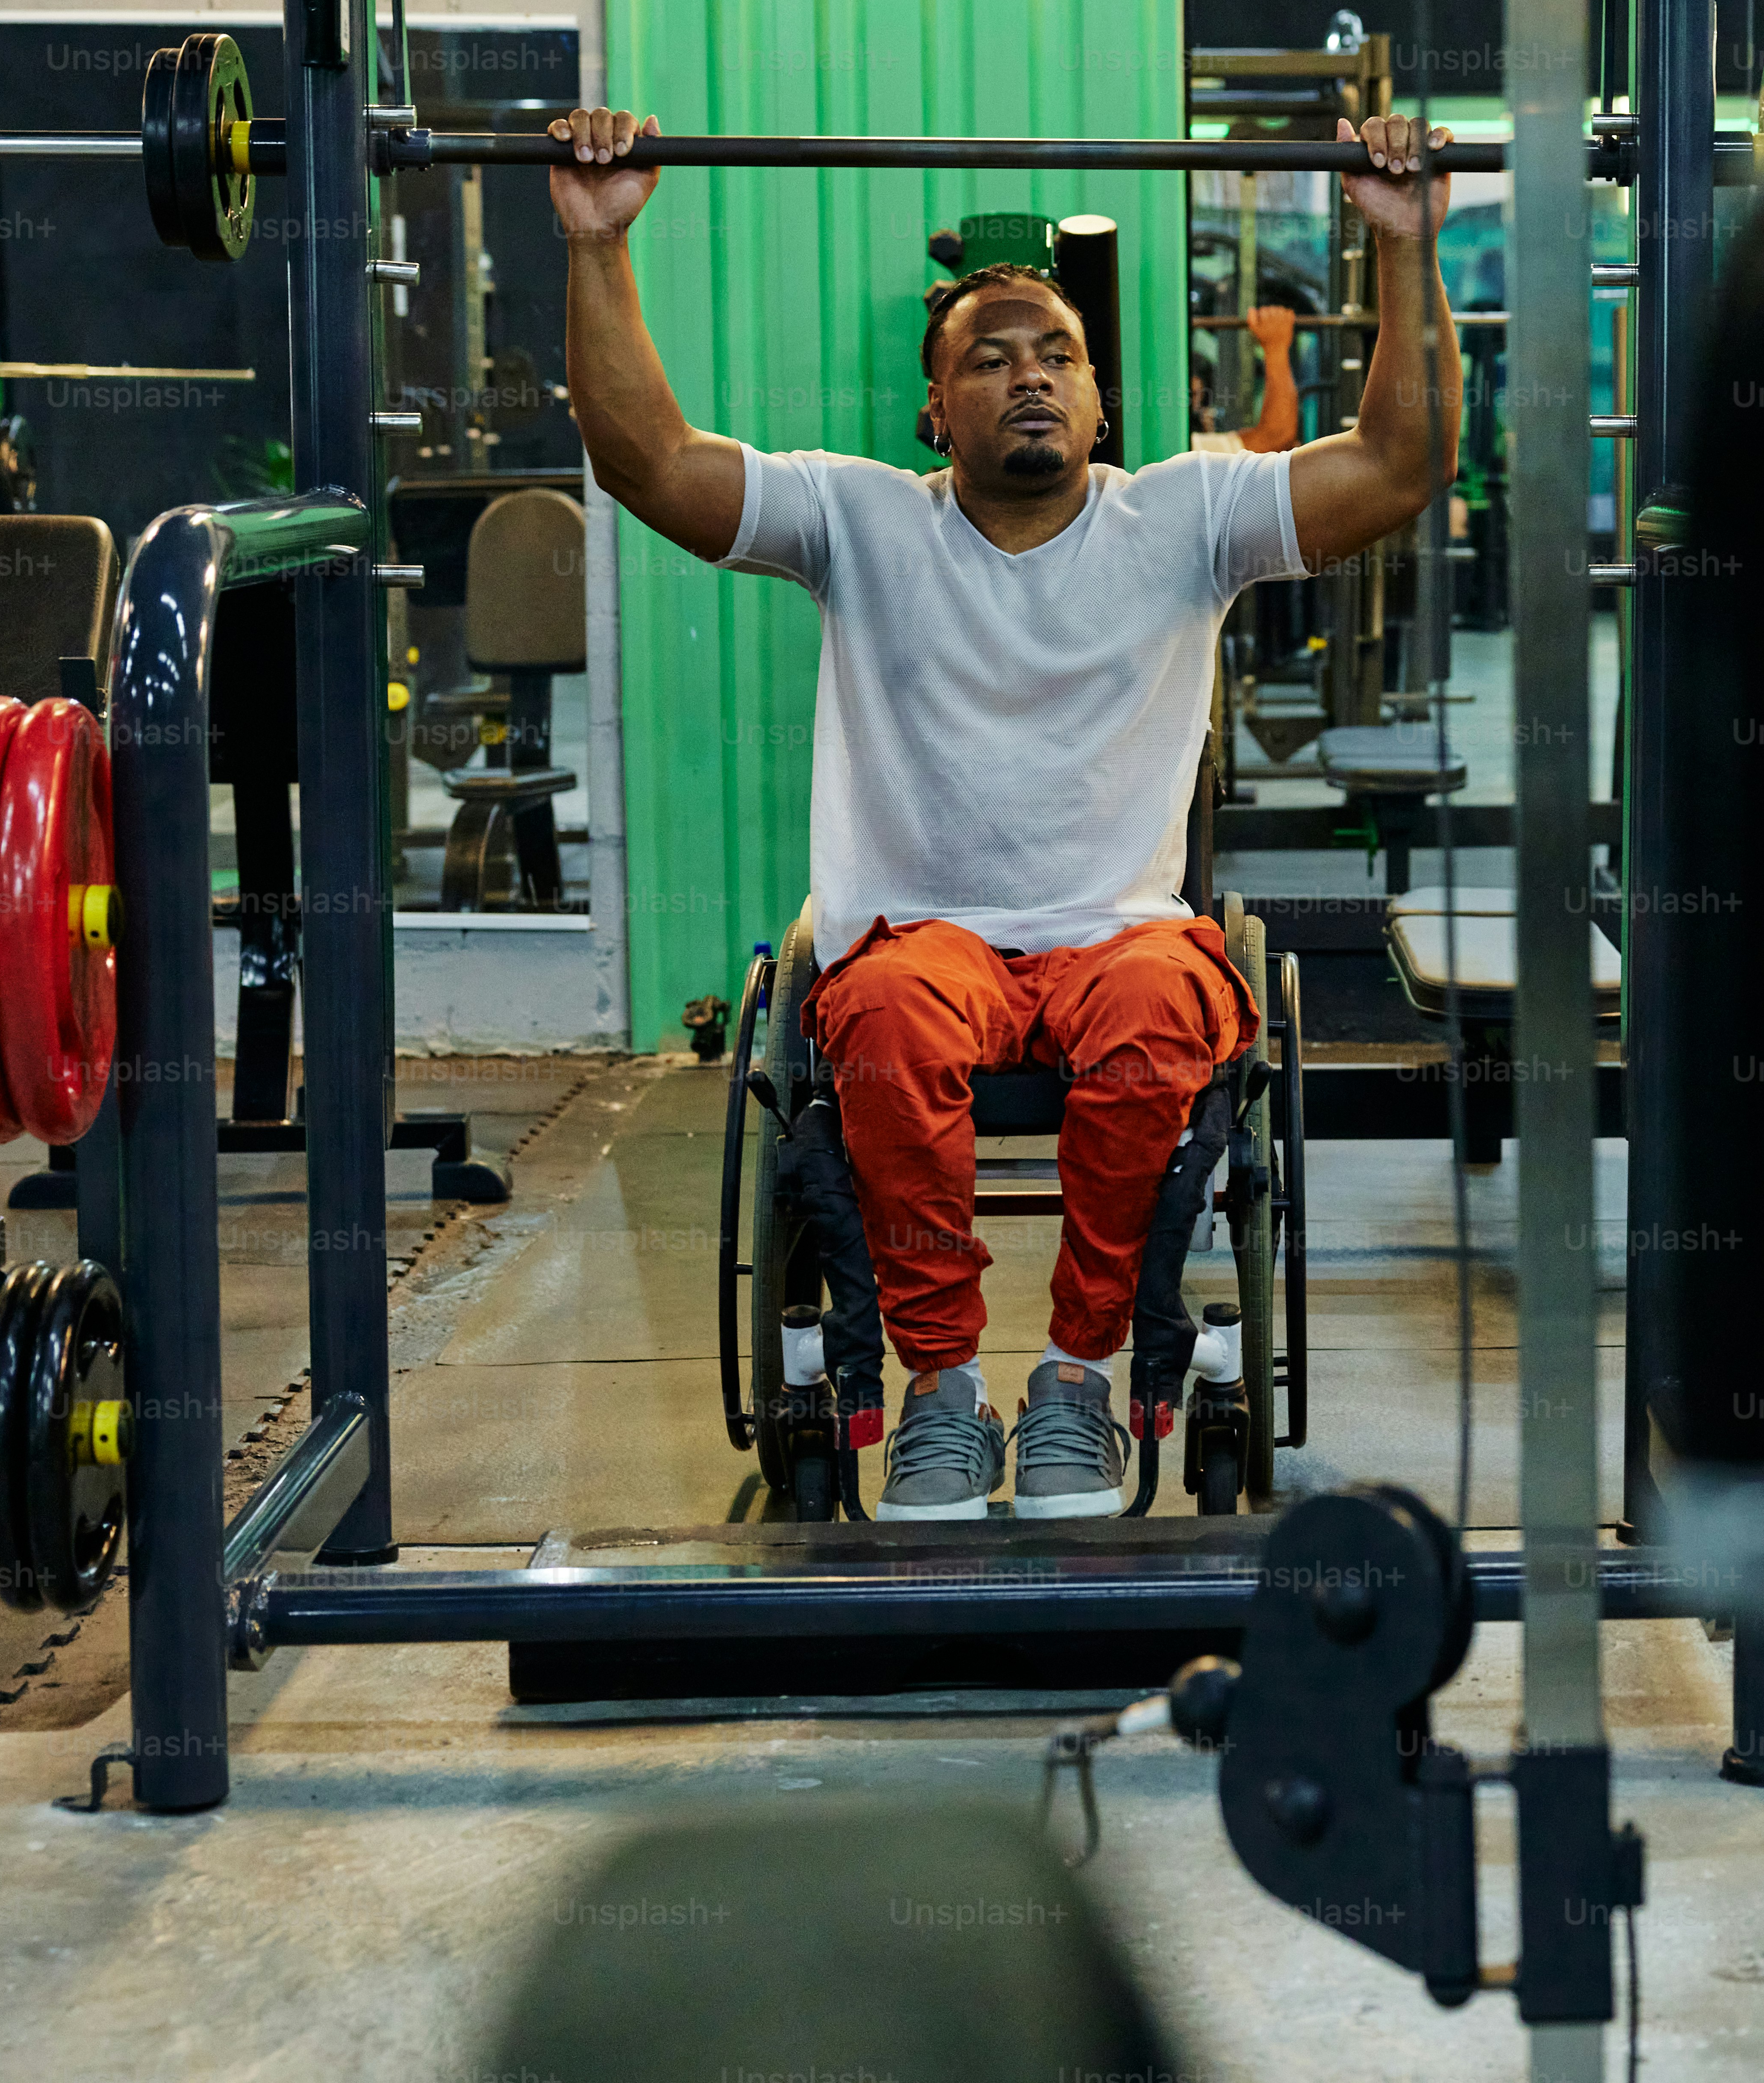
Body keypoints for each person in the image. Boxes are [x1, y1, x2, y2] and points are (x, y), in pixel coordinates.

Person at [556, 108, 1458, 1518]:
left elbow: (1398, 470)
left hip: (1121, 941)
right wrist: (601, 244)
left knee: (1167, 1008)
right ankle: (942, 1392)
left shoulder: (1186, 521)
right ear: (935, 410)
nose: (1030, 377)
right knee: (892, 1014)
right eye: (990, 358)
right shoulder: (858, 521)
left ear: (1101, 401)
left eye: (1060, 357)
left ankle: (1078, 1382)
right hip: (925, 937)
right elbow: (648, 461)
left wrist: (1403, 252)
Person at [1191, 302, 1300, 455]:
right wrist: (1276, 348)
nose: (1193, 405)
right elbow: (1275, 439)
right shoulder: (1182, 447)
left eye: (1197, 396)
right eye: (1190, 396)